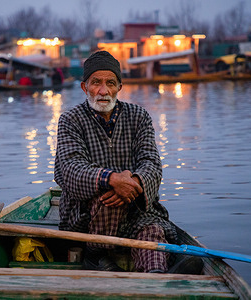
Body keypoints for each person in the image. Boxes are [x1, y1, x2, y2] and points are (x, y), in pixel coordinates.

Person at [54, 51, 180, 273]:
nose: (103, 91)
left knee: (151, 231)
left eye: (110, 83)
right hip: (85, 217)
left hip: (134, 210)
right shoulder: (70, 120)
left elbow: (151, 162)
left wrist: (132, 182)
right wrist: (111, 179)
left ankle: (156, 278)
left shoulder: (138, 116)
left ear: (119, 87)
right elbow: (71, 169)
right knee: (109, 200)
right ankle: (95, 255)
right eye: (96, 83)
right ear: (85, 87)